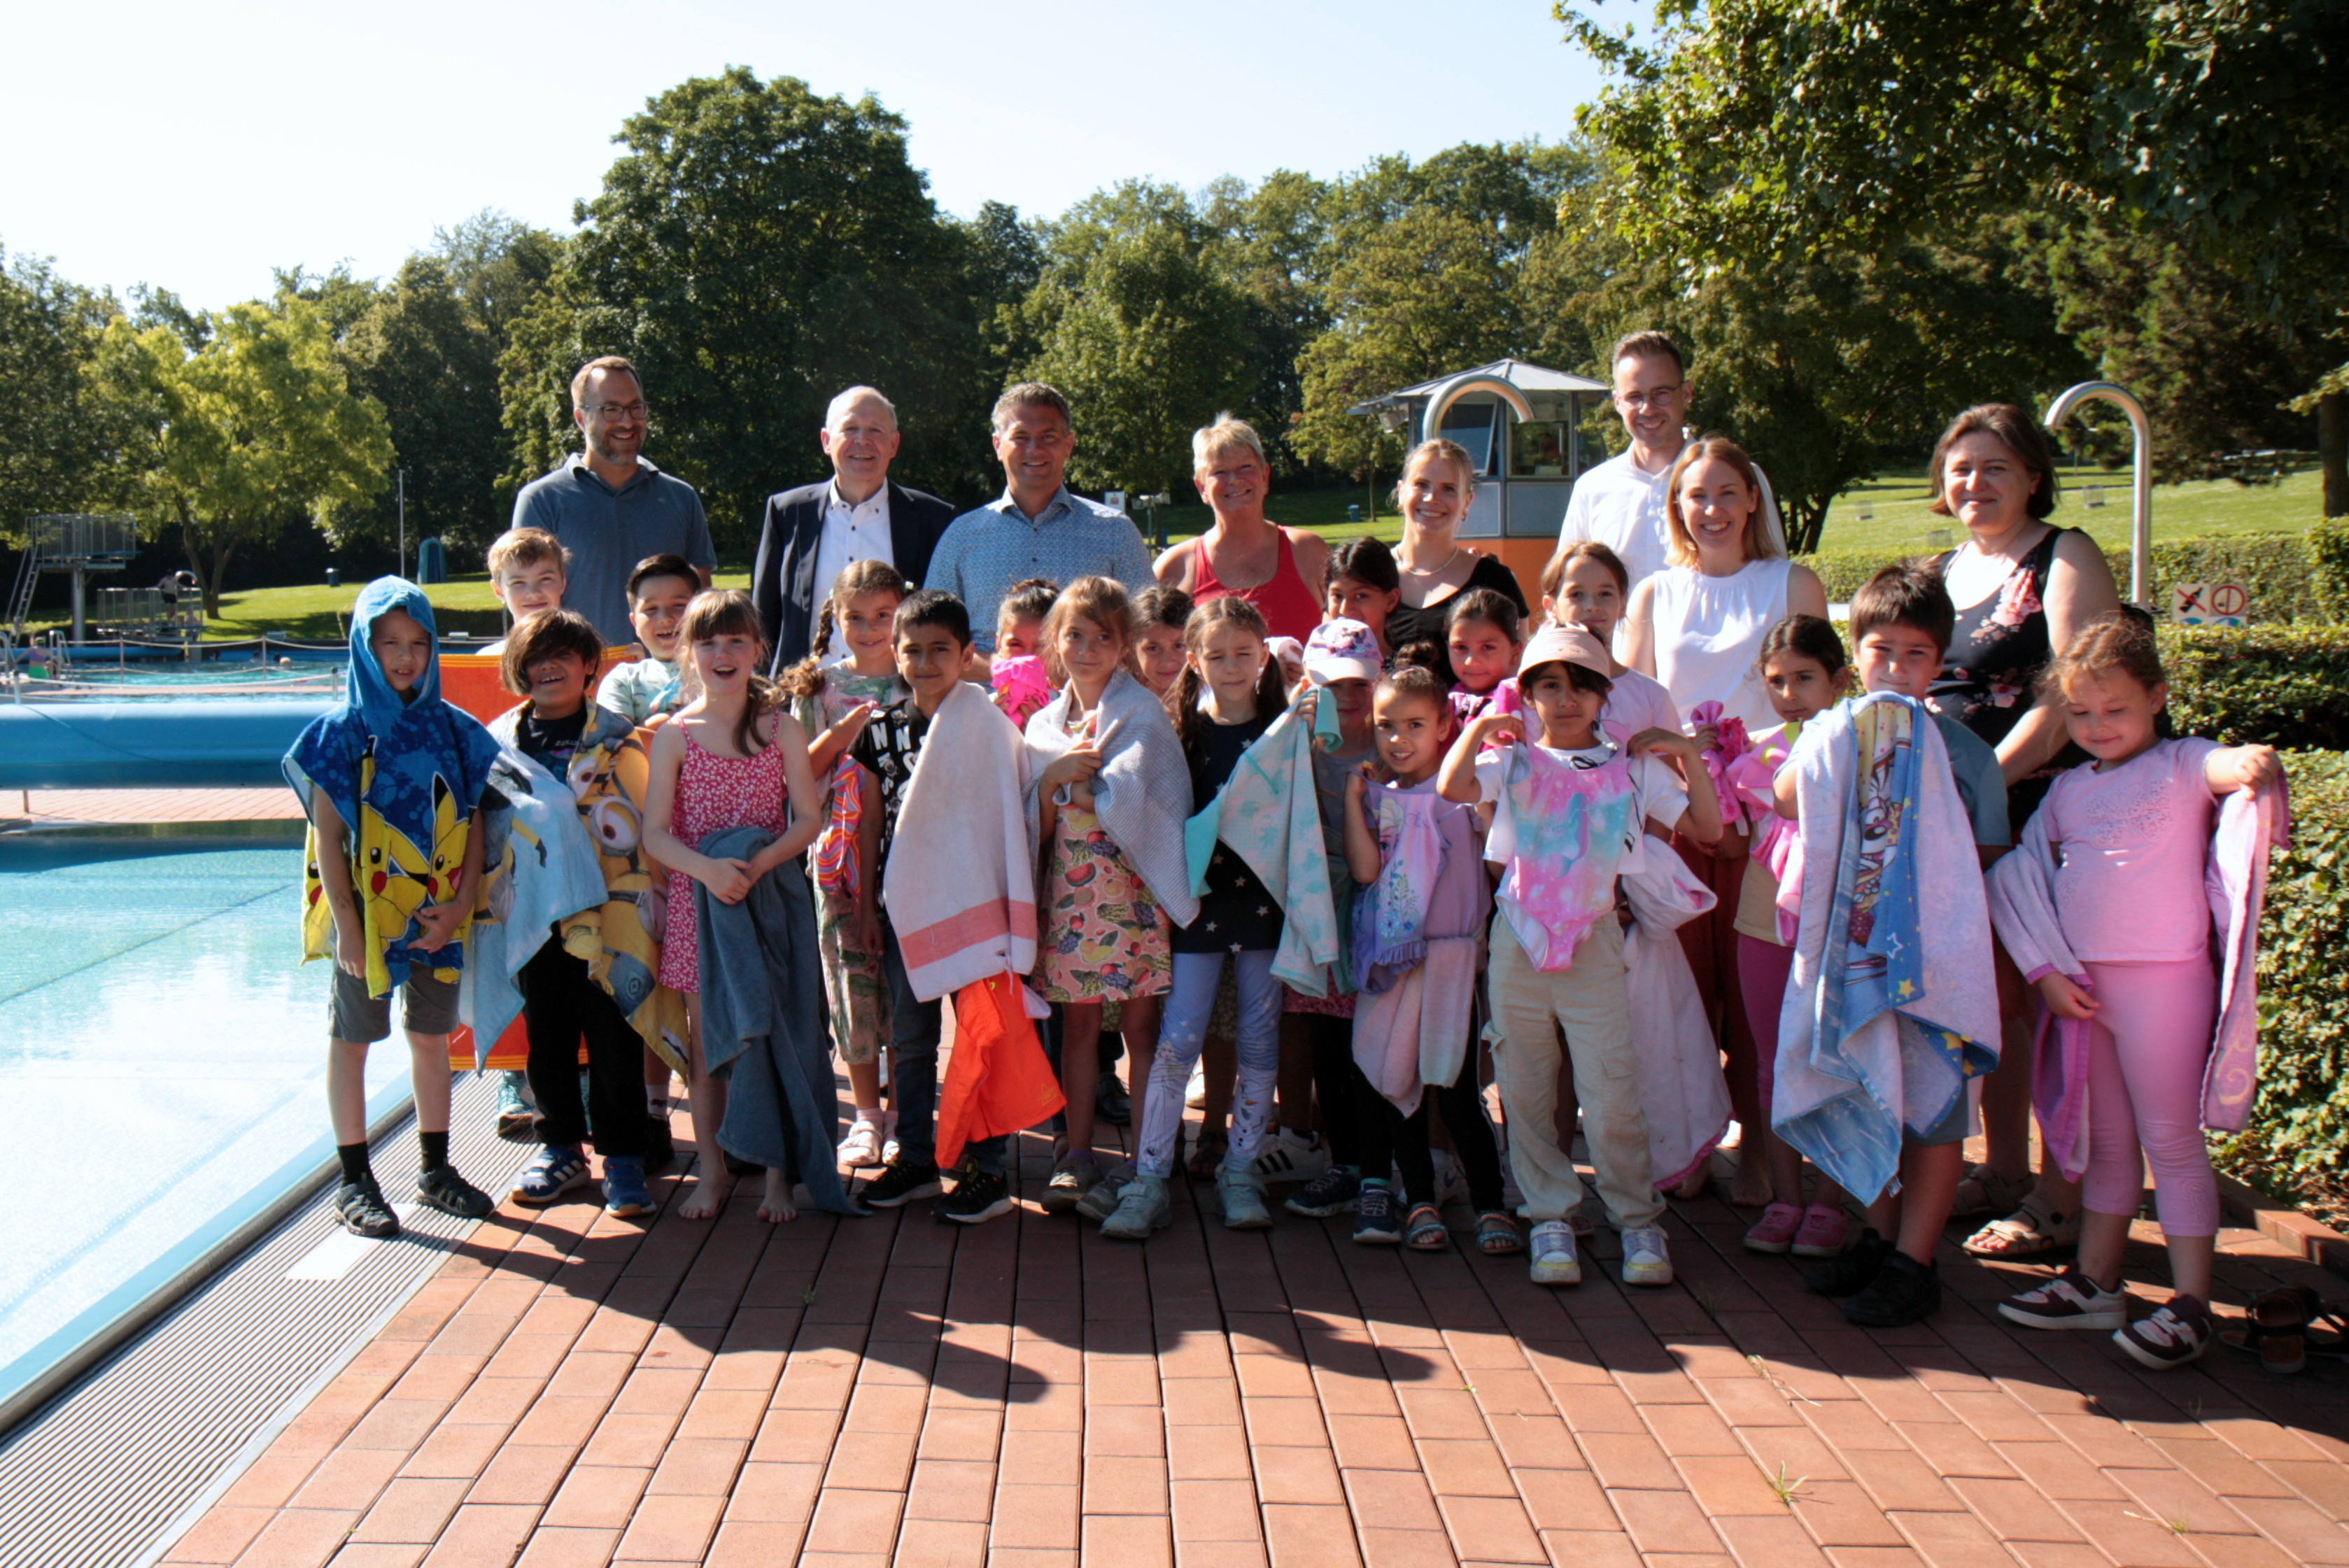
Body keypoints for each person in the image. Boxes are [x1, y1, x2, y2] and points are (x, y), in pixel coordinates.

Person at [1988, 613, 2283, 1369]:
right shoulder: (2065, 794)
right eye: (2079, 714)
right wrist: (2046, 973)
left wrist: (2250, 760)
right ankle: (2096, 1281)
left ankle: (2190, 1303)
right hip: (2088, 994)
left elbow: (2230, 769)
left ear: (2156, 696)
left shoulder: (2185, 763)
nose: (2096, 726)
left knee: (2171, 1142)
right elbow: (2020, 877)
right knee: (2110, 1144)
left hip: (2165, 986)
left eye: (2115, 709)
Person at [1438, 623, 1722, 1287]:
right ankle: (1549, 1218)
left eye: (1580, 687)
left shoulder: (1634, 768)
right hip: (1516, 938)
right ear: (1530, 695)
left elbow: (1707, 828)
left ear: (1602, 696)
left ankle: (1637, 1219)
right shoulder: (1510, 762)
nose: (1565, 700)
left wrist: (1684, 753)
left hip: (1595, 939)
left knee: (1612, 1087)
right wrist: (1480, 731)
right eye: (1548, 686)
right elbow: (1452, 790)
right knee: (1526, 1086)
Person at [1779, 564, 2009, 1329]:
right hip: (1855, 958)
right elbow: (1786, 795)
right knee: (1865, 1084)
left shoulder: (1964, 753)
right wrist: (1837, 740)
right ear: (1856, 654)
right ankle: (1880, 1240)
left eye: (1917, 655)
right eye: (1882, 652)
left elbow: (1978, 855)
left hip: (1935, 964)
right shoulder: (1834, 733)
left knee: (1934, 1113)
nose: (1898, 669)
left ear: (1940, 665)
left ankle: (1917, 1261)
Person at [1924, 404, 2122, 1257]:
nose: (1975, 482)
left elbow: (2071, 690)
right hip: (1961, 829)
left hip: (2043, 821)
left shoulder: (2064, 554)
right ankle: (2003, 1171)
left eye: (1995, 466)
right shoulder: (1942, 571)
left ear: (2033, 474)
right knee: (1992, 1006)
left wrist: (1983, 783)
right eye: (1961, 467)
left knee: (2053, 1010)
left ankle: (2061, 1192)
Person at [1623, 435, 1828, 1203]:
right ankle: (1685, 1144)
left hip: (1768, 822)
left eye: (1724, 493)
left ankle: (1769, 1160)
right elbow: (1633, 707)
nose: (1710, 510)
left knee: (1754, 1005)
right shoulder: (1654, 595)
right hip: (1678, 820)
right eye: (1694, 496)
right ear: (1677, 508)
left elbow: (1816, 702)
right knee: (1680, 995)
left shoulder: (1791, 581)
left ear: (1753, 499)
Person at [283, 578, 501, 1238]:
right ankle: (354, 1177)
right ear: (362, 648)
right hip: (367, 921)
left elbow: (475, 825)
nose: (405, 658)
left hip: (437, 918)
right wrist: (349, 928)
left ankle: (434, 1167)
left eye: (417, 644)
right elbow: (329, 839)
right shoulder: (338, 736)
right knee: (352, 1041)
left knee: (431, 1039)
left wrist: (461, 901)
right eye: (389, 644)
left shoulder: (456, 732)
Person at [1103, 598, 1323, 1240]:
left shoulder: (1285, 730)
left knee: (1260, 1039)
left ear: (1263, 656)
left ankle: (1242, 1168)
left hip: (1264, 906)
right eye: (1216, 654)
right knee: (1179, 1038)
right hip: (1195, 907)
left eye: (1243, 653)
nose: (1231, 666)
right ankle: (1149, 1175)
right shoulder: (1177, 730)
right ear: (1194, 660)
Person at [642, 591, 824, 1223]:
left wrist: (759, 865)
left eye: (735, 641)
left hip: (764, 903)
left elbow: (807, 818)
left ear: (757, 649)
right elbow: (655, 832)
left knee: (769, 1038)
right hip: (703, 911)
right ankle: (712, 1170)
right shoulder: (675, 736)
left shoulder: (782, 729)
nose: (722, 653)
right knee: (710, 1046)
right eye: (709, 642)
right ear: (689, 653)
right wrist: (707, 870)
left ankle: (776, 1175)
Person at [846, 591, 1024, 1222]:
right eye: (911, 650)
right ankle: (917, 1156)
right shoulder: (879, 728)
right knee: (913, 1039)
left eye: (939, 650)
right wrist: (867, 906)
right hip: (907, 907)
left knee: (982, 1035)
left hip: (975, 906)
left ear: (966, 654)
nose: (924, 663)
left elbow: (1008, 812)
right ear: (894, 653)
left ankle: (987, 1163)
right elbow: (869, 823)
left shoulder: (988, 725)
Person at [1025, 577, 1191, 1216]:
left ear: (1123, 644)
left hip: (1136, 892)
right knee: (1079, 1027)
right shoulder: (1044, 724)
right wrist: (1051, 781)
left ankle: (1147, 1158)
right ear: (1054, 642)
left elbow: (1160, 801)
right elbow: (1032, 824)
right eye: (1074, 635)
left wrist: (1080, 788)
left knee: (1143, 1026)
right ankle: (1076, 1154)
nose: (1087, 648)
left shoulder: (1142, 712)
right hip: (1071, 897)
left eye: (1102, 636)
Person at [489, 609, 656, 1218]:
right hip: (535, 915)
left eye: (563, 655)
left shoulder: (616, 738)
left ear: (590, 666)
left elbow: (641, 823)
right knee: (547, 1035)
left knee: (613, 1034)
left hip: (609, 911)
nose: (549, 667)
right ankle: (558, 1145)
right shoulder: (499, 740)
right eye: (537, 657)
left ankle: (623, 1157)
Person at [1342, 665, 1514, 1253]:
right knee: (1397, 1082)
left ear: (1445, 725)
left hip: (1450, 962)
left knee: (1457, 1089)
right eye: (1387, 725)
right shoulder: (1379, 798)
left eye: (1415, 724)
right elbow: (1365, 871)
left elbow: (1497, 861)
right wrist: (1352, 801)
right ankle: (1418, 1199)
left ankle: (1491, 1203)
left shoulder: (1461, 797)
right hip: (1394, 963)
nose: (1399, 738)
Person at [775, 560, 910, 1171]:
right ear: (835, 616)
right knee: (850, 982)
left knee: (907, 985)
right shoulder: (818, 689)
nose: (870, 628)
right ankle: (864, 1113)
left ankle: (907, 1109)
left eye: (883, 615)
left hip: (909, 851)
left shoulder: (921, 676)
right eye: (855, 616)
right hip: (837, 859)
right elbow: (795, 771)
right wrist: (843, 732)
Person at [1730, 615, 1851, 1257]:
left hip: (1834, 920)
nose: (1789, 693)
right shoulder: (1755, 747)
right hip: (1762, 919)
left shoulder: (1858, 740)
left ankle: (1829, 1204)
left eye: (1804, 678)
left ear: (1838, 678)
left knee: (1831, 1058)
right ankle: (1786, 1198)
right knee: (1773, 1059)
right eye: (1775, 681)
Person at [1556, 330, 1787, 612]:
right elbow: (1565, 591)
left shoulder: (1738, 477)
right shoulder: (1592, 488)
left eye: (1661, 394)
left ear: (1686, 393)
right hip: (1613, 656)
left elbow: (1777, 579)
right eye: (1634, 397)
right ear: (1618, 402)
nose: (1648, 409)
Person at [926, 383, 1155, 654]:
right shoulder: (962, 536)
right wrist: (1004, 672)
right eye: (1020, 437)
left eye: (1048, 437)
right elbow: (931, 636)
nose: (1034, 449)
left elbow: (1146, 631)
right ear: (998, 446)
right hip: (986, 695)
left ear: (1068, 445)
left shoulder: (1115, 532)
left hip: (1087, 694)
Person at [750, 386, 959, 670]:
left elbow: (946, 622)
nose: (863, 441)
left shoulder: (934, 519)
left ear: (894, 444)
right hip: (804, 695)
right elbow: (763, 617)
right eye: (850, 428)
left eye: (876, 430)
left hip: (900, 698)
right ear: (826, 440)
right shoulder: (787, 512)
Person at [512, 356, 715, 647]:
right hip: (576, 684)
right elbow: (527, 610)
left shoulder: (681, 498)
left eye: (636, 408)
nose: (627, 421)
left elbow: (704, 611)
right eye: (611, 410)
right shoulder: (542, 501)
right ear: (581, 418)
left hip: (670, 686)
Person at [1154, 416, 1327, 642]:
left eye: (1246, 467)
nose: (1234, 480)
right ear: (1202, 488)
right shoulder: (1175, 568)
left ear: (1265, 476)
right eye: (1219, 472)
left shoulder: (1308, 551)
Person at [1381, 439, 1528, 654]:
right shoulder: (1368, 574)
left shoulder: (1495, 581)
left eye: (1448, 489)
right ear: (1401, 492)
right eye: (1421, 484)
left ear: (1467, 502)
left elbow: (1517, 671)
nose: (1432, 498)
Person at [1541, 542, 1680, 744]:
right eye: (1577, 595)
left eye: (1605, 594)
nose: (1592, 606)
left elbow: (1669, 772)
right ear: (1551, 606)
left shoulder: (1651, 696)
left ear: (1623, 604)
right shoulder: (1530, 691)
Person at [602, 553, 698, 727]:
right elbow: (615, 745)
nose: (665, 618)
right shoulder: (624, 680)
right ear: (635, 623)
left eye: (679, 606)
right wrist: (671, 720)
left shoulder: (723, 668)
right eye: (651, 609)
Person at [483, 528, 569, 658]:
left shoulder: (587, 654)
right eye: (518, 583)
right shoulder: (488, 659)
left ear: (563, 583)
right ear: (499, 590)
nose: (533, 594)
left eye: (545, 579)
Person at [1441, 588, 1523, 723]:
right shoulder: (1441, 704)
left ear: (1515, 653)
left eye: (1487, 648)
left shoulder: (1526, 701)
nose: (1471, 661)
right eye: (1460, 648)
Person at [991, 579, 1061, 730]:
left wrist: (1049, 734)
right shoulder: (981, 711)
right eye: (1016, 645)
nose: (1028, 657)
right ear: (999, 644)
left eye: (1041, 646)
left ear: (1058, 647)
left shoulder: (1071, 711)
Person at [1323, 537, 1403, 661]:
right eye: (1338, 596)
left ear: (1391, 600)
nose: (1345, 610)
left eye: (1361, 596)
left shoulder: (1404, 675)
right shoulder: (1317, 668)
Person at [1131, 586, 1193, 698]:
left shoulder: (1215, 704)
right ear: (1132, 646)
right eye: (1153, 649)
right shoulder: (1119, 704)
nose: (1167, 662)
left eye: (1179, 646)